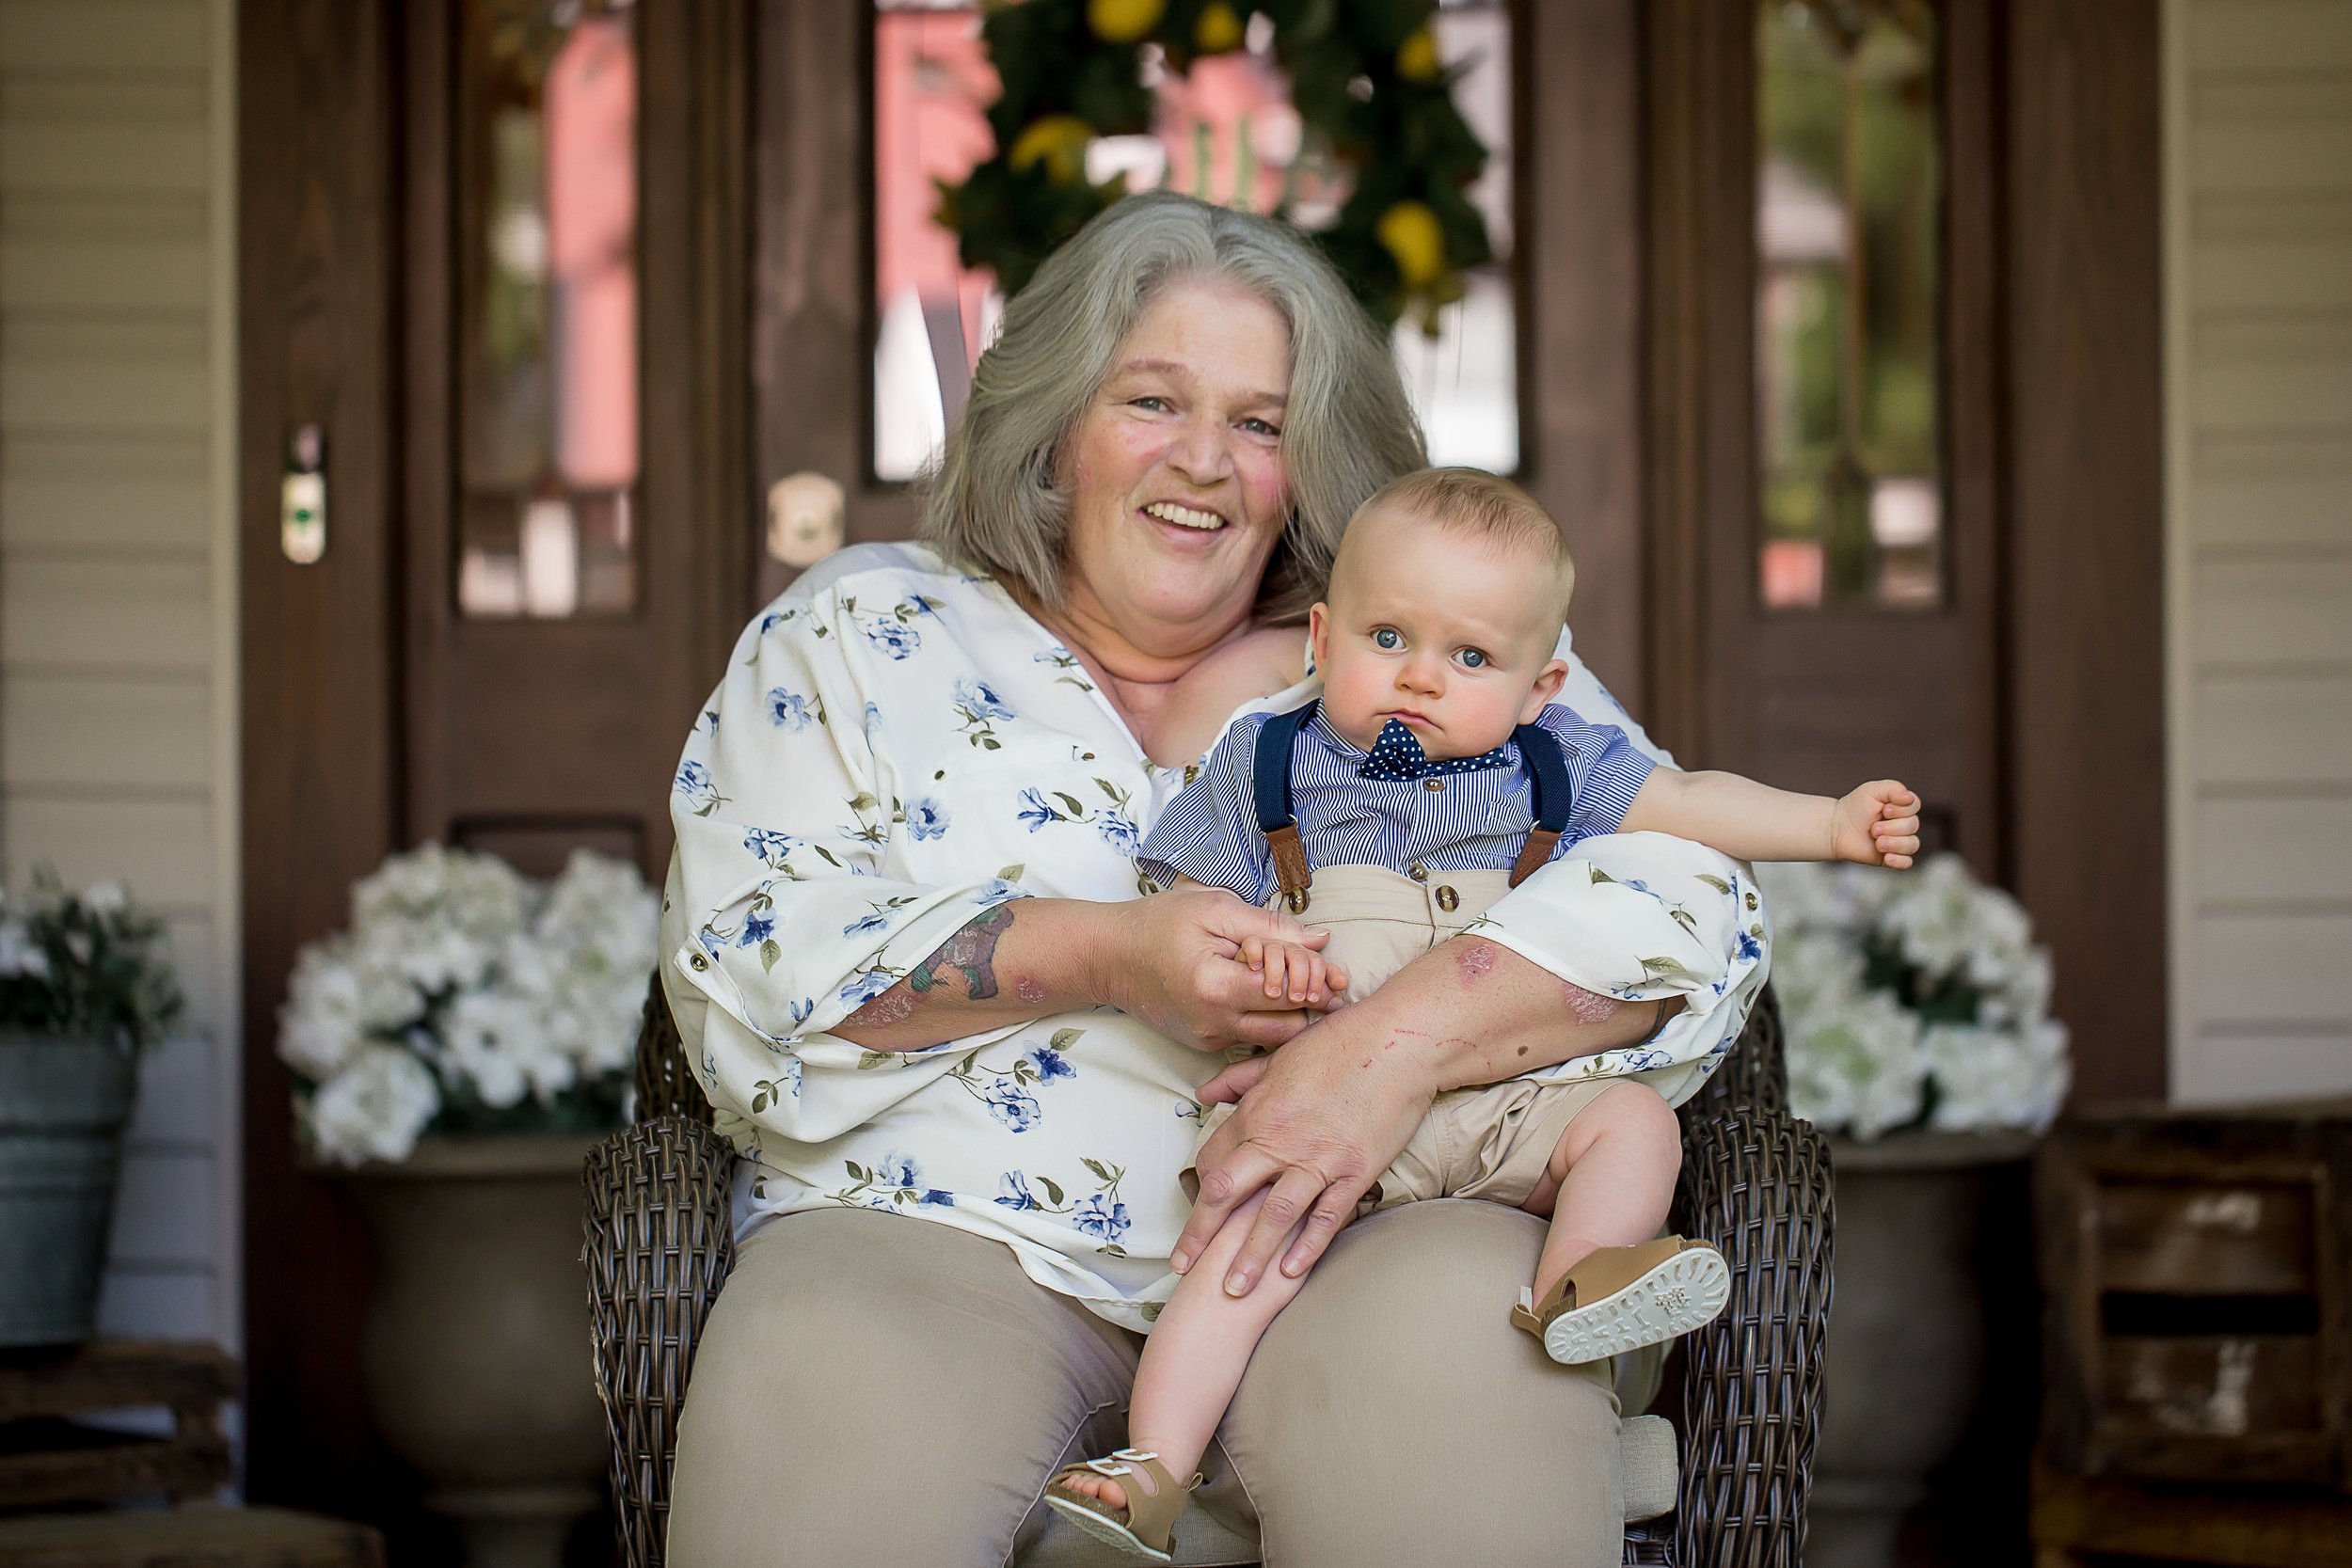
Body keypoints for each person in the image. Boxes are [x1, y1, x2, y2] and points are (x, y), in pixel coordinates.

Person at [657, 192, 1771, 1568]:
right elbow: (745, 976)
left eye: (1260, 422)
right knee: (825, 1397)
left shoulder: (1422, 643)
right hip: (937, 1233)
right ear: (1056, 419)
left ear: (1313, 462)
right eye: (1152, 399)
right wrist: (1110, 952)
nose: (1204, 461)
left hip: (1377, 1218)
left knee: (1456, 1377)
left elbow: (1691, 909)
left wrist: (1380, 1049)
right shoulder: (861, 632)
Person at [1042, 467, 1920, 1560]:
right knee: (1233, 1263)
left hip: (1510, 1104)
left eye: (1468, 657)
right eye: (1388, 636)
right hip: (1321, 1118)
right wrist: (1238, 939)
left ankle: (1580, 1278)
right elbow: (1178, 899)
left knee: (1633, 1128)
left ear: (1539, 681)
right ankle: (1153, 1466)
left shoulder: (1554, 766)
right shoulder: (1268, 760)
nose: (1418, 677)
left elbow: (1688, 803)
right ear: (1323, 634)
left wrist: (1828, 823)